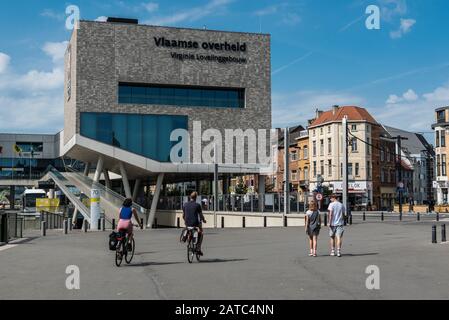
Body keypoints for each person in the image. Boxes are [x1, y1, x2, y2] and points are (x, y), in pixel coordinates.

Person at [182, 191, 206, 256]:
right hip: (195, 223)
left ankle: (188, 241)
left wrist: (186, 221)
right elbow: (201, 215)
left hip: (187, 223)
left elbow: (183, 216)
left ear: (190, 197)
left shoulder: (185, 205)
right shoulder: (197, 205)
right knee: (201, 233)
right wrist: (204, 220)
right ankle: (198, 248)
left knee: (188, 230)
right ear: (196, 197)